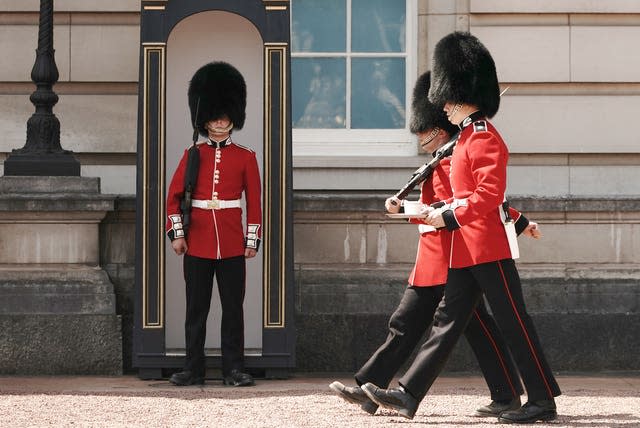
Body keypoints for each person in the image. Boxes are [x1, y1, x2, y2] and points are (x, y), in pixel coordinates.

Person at [361, 32, 561, 424]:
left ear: (464, 95)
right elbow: (462, 195)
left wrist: (450, 216)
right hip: (465, 250)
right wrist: (425, 211)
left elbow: (488, 194)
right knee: (447, 320)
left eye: (449, 100)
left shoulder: (483, 137)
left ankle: (542, 401)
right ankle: (407, 394)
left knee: (514, 322)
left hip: (488, 247)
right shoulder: (465, 139)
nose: (444, 107)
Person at [165, 62, 261, 387]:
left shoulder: (246, 157)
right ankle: (193, 368)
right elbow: (173, 197)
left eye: (224, 115)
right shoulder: (192, 153)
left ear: (233, 116)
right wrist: (177, 235)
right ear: (204, 119)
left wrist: (252, 240)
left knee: (233, 310)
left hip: (232, 242)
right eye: (215, 116)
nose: (220, 121)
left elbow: (255, 203)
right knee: (196, 311)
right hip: (198, 241)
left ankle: (234, 369)